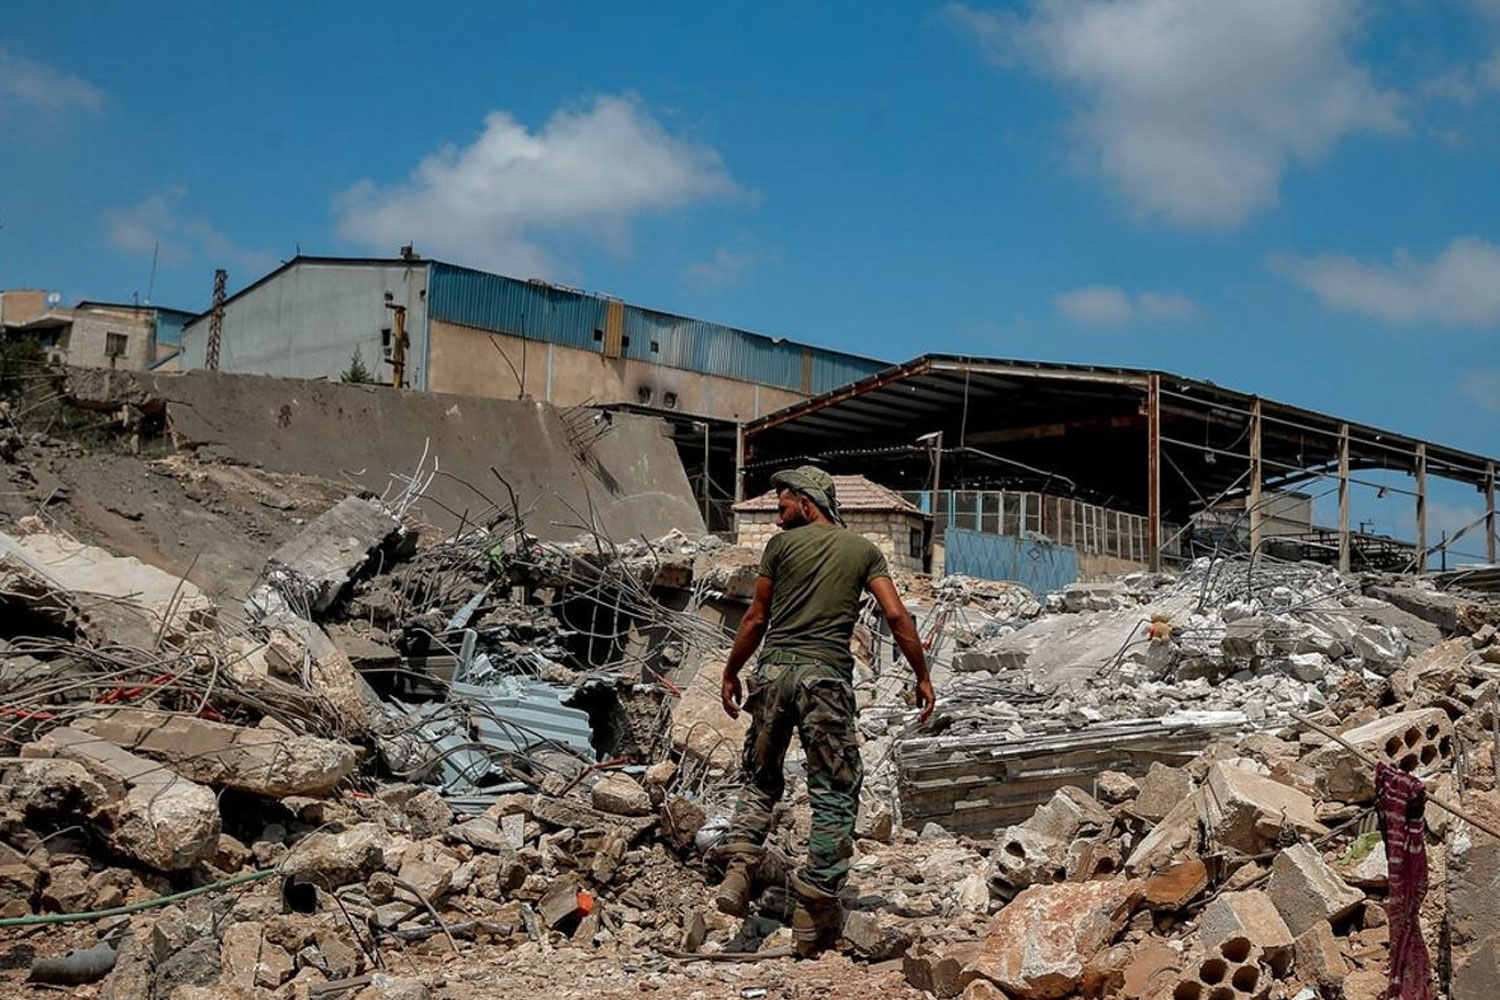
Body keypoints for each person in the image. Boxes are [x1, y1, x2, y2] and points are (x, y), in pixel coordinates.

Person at [713, 465, 935, 956]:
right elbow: (896, 615)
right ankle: (815, 904)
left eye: (784, 504)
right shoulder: (864, 551)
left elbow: (756, 618)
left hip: (772, 676)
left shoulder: (779, 550)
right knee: (834, 790)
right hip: (825, 681)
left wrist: (732, 670)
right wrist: (921, 675)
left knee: (760, 776)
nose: (777, 516)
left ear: (809, 501)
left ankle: (740, 865)